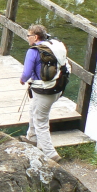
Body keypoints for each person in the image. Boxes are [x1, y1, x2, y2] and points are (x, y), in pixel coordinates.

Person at [20, 24, 66, 162]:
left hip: (44, 91)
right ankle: (32, 138)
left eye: (28, 35)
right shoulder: (53, 46)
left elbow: (27, 73)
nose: (27, 38)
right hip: (57, 87)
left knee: (41, 121)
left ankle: (51, 154)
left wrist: (22, 80)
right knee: (33, 108)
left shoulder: (33, 51)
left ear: (35, 37)